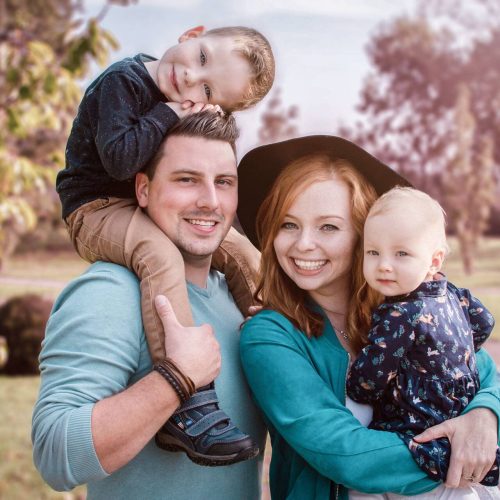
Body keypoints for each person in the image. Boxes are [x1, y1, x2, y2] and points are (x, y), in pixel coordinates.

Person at [237, 136, 500, 500]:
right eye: (288, 224)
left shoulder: (403, 307)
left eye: (328, 227)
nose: (303, 244)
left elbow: (482, 372)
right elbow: (342, 452)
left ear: (363, 235)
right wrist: (459, 458)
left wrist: (485, 416)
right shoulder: (269, 335)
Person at [55, 25, 274, 462]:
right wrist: (170, 113)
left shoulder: (176, 102)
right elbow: (119, 158)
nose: (190, 78)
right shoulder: (123, 82)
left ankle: (280, 338)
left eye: (207, 87)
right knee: (159, 257)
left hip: (138, 206)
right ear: (192, 33)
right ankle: (188, 406)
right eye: (203, 57)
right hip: (94, 206)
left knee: (245, 254)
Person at [32, 112, 267, 498]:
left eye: (223, 182)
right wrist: (174, 380)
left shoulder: (233, 296)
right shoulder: (109, 291)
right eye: (186, 179)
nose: (210, 201)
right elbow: (55, 454)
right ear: (142, 189)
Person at [346, 187, 499, 495]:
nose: (384, 265)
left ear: (434, 260)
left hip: (419, 431)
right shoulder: (453, 293)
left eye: (401, 253)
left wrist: (353, 379)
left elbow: (367, 382)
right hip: (457, 418)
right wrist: (453, 354)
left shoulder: (398, 314)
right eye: (373, 252)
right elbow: (484, 321)